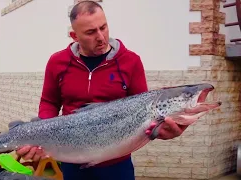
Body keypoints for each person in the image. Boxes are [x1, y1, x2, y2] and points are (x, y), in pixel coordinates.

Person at [16, 1, 188, 179]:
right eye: (91, 32)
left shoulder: (131, 61)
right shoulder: (57, 62)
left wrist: (159, 130)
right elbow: (49, 102)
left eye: (103, 27)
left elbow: (143, 112)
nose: (101, 37)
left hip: (117, 164)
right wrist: (41, 136)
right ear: (74, 36)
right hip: (71, 161)